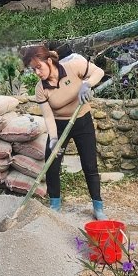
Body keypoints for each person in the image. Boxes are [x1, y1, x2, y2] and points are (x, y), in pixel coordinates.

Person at [20, 44, 107, 219]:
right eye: (33, 69)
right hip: (59, 126)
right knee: (51, 164)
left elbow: (99, 72)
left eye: (39, 67)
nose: (37, 72)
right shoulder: (40, 89)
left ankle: (98, 207)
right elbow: (49, 117)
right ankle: (55, 205)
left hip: (82, 121)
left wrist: (87, 84)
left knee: (90, 165)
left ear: (49, 61)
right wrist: (53, 139)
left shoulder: (73, 66)